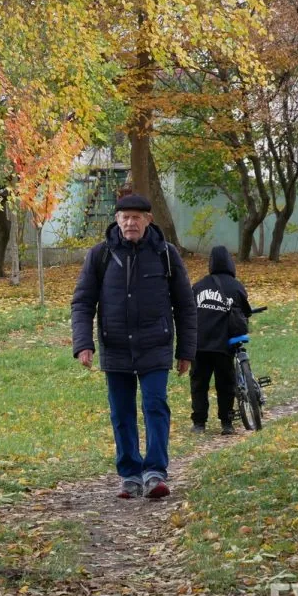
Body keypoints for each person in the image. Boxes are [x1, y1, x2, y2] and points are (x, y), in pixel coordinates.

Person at [71, 194, 197, 499]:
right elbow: (83, 302)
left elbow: (185, 304)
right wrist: (83, 344)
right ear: (117, 220)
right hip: (115, 347)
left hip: (155, 345)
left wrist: (186, 351)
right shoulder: (100, 255)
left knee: (155, 406)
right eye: (125, 217)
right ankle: (129, 473)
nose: (131, 222)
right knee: (122, 412)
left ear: (148, 220)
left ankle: (155, 472)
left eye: (137, 217)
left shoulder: (166, 254)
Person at [189, 245, 253, 435]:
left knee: (199, 383)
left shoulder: (199, 286)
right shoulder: (236, 286)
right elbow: (245, 311)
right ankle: (227, 423)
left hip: (199, 344)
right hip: (224, 345)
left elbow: (189, 312)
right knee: (225, 384)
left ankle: (199, 423)